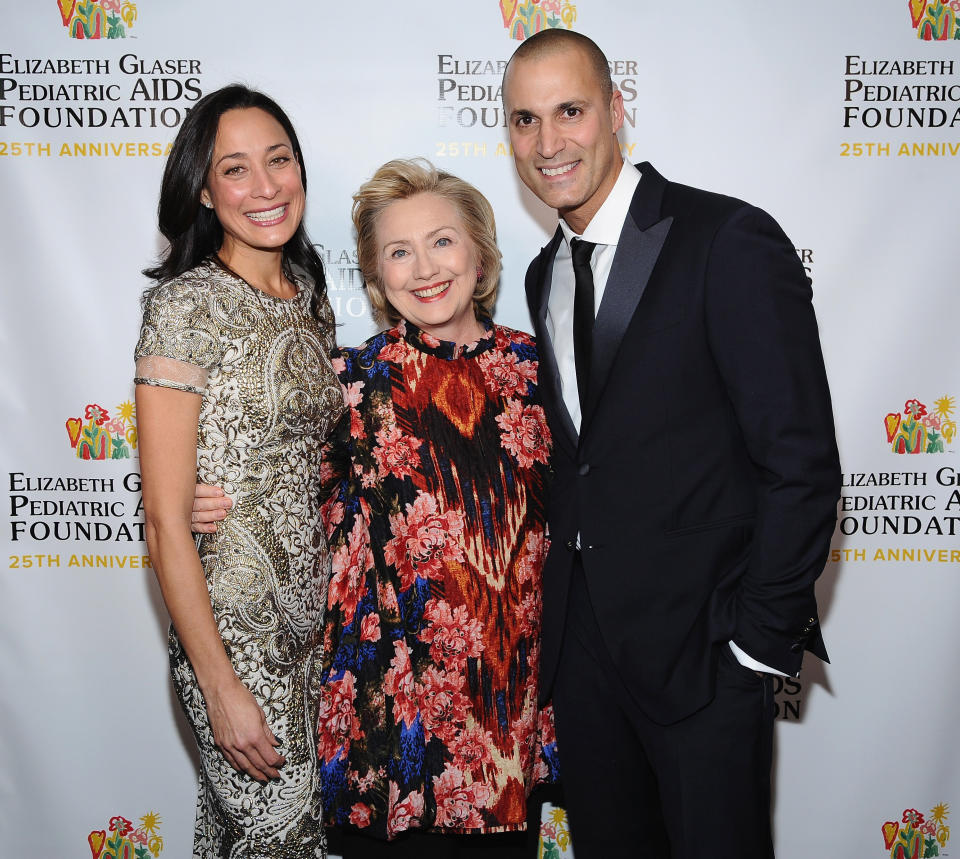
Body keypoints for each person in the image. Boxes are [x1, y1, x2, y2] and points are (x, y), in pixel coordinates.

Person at [500, 29, 842, 859]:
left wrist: (756, 647)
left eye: (570, 111)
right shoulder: (544, 273)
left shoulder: (726, 239)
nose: (549, 143)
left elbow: (802, 463)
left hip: (706, 659)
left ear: (617, 111)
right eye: (524, 120)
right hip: (586, 666)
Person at [193, 158, 559, 858]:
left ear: (480, 255)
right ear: (376, 277)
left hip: (505, 725)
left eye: (442, 241)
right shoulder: (347, 382)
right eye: (399, 251)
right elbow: (261, 484)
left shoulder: (542, 371)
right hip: (389, 731)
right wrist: (192, 497)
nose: (424, 267)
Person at [135, 84, 344, 858]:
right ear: (203, 188)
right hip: (232, 632)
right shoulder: (184, 306)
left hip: (315, 629)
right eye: (235, 169)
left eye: (278, 160)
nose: (265, 187)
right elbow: (163, 519)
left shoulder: (311, 296)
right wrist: (220, 689)